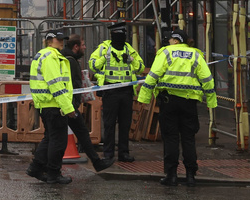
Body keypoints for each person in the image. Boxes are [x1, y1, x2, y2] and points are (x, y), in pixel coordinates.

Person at [137, 28, 217, 186]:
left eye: (170, 39)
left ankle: (171, 175)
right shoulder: (196, 55)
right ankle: (190, 176)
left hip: (169, 103)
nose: (168, 42)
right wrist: (211, 101)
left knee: (171, 139)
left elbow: (153, 75)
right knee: (188, 139)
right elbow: (207, 79)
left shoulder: (165, 53)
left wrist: (144, 98)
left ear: (175, 40)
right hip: (189, 104)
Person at [89, 22, 146, 162]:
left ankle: (123, 153)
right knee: (109, 124)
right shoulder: (104, 48)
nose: (121, 37)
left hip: (126, 92)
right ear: (112, 35)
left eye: (122, 34)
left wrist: (132, 60)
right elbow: (93, 65)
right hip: (110, 91)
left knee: (125, 124)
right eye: (118, 34)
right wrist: (105, 58)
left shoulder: (129, 49)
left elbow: (140, 68)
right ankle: (108, 153)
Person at [26, 30, 78, 184]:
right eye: (58, 39)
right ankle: (53, 173)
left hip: (46, 104)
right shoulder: (51, 57)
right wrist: (68, 108)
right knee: (58, 141)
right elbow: (55, 85)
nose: (62, 42)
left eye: (63, 39)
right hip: (54, 105)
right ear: (49, 41)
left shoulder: (43, 55)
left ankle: (36, 168)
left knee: (50, 138)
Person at [62, 35, 114, 173]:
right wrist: (72, 105)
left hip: (66, 104)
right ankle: (41, 166)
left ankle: (97, 162)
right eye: (83, 45)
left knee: (80, 133)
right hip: (68, 106)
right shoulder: (71, 61)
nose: (85, 47)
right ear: (76, 47)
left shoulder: (68, 59)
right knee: (74, 134)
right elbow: (71, 84)